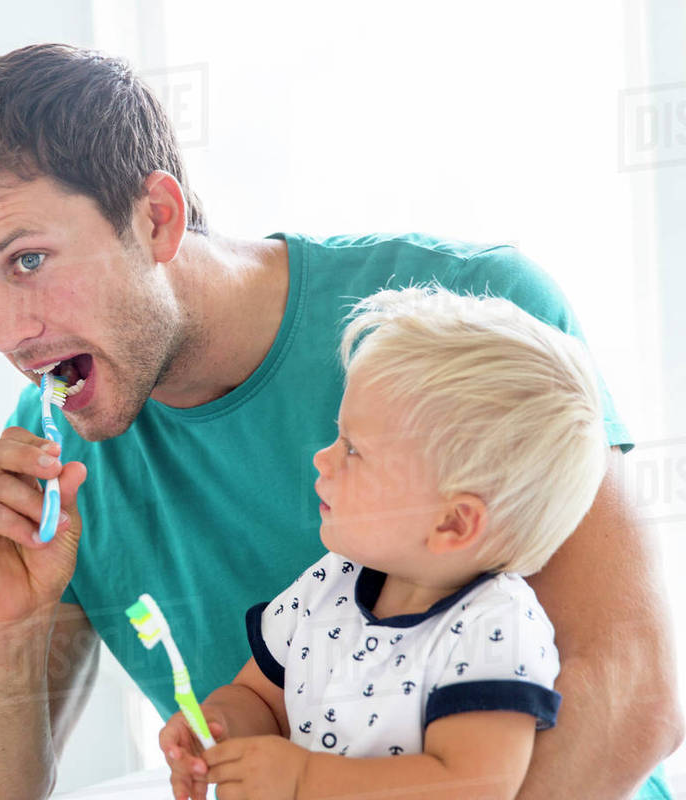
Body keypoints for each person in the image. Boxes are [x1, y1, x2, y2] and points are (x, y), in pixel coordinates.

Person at [0, 43, 682, 800]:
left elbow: (634, 692)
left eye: (27, 261)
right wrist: (9, 624)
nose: (3, 333)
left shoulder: (467, 319)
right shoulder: (54, 463)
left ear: (156, 220)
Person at [159, 285, 608, 800]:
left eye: (353, 451)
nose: (322, 459)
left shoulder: (493, 627)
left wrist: (305, 780)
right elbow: (260, 699)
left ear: (453, 524)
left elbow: (470, 784)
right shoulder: (332, 582)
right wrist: (219, 727)